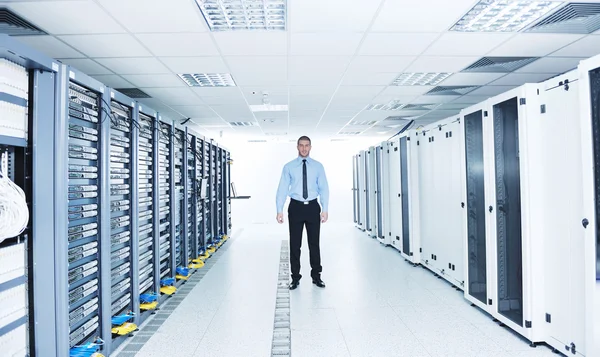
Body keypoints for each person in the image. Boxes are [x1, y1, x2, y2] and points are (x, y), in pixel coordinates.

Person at [276, 135, 329, 290]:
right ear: (297, 147)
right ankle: (295, 278)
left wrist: (324, 209)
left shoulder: (318, 166)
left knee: (314, 244)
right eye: (301, 145)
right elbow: (282, 189)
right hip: (296, 208)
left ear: (310, 147)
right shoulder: (289, 167)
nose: (304, 148)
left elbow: (324, 188)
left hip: (313, 207)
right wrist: (279, 210)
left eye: (307, 145)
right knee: (295, 244)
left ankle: (316, 276)